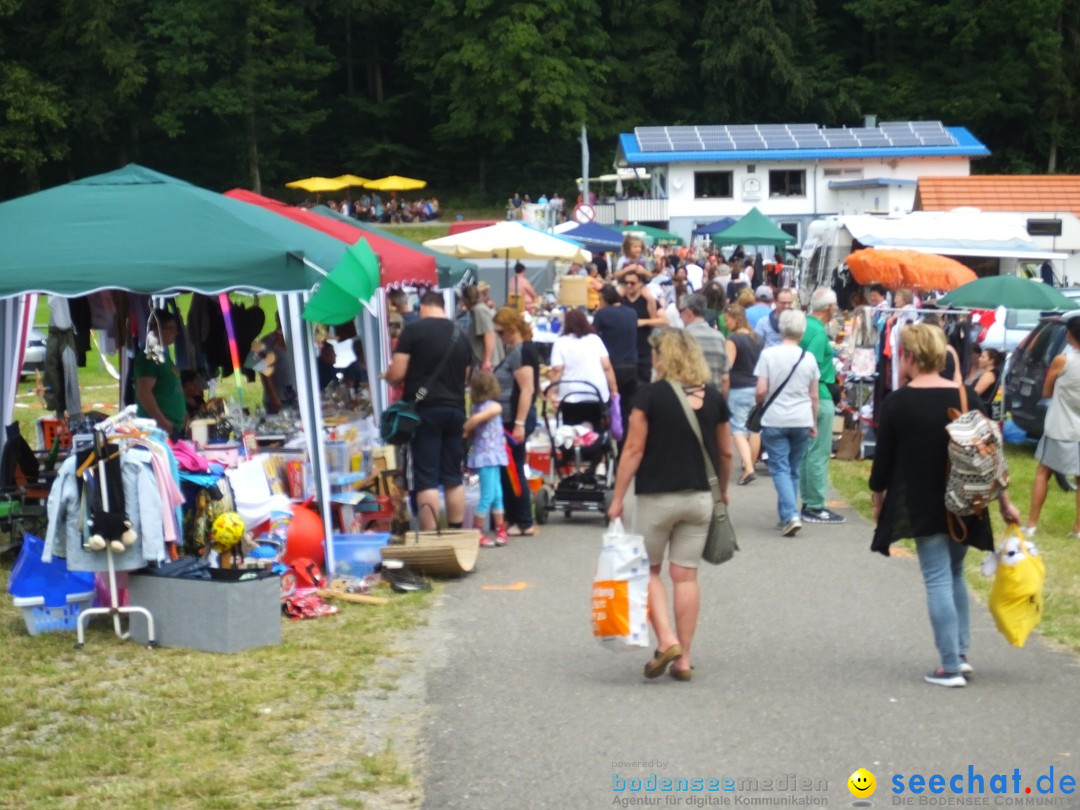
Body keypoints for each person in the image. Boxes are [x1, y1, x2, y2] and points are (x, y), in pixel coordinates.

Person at [871, 323, 1021, 687]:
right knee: (953, 573)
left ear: (907, 356)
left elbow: (883, 463)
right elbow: (989, 451)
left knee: (937, 577)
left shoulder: (897, 403)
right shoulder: (966, 395)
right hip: (967, 498)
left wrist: (879, 500)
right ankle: (961, 652)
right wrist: (1004, 501)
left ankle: (950, 665)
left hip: (923, 500)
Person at [607, 329, 733, 682]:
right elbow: (725, 452)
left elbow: (633, 450)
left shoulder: (649, 396)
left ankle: (666, 639)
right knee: (686, 576)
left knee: (649, 572)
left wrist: (618, 498)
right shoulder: (713, 399)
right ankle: (684, 659)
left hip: (657, 498)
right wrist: (723, 491)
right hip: (699, 500)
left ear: (664, 358)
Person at [384, 292, 473, 531]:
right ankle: (456, 533)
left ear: (422, 307)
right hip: (455, 410)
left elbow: (398, 373)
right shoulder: (461, 336)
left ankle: (430, 537)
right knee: (454, 477)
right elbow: (465, 377)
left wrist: (388, 376)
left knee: (427, 479)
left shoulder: (413, 331)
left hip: (425, 412)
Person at [754, 310, 820, 536]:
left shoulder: (768, 355)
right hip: (801, 418)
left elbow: (761, 390)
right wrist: (813, 420)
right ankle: (788, 515)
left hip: (774, 417)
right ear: (801, 332)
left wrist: (759, 403)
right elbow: (814, 395)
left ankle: (790, 514)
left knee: (779, 467)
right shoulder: (808, 358)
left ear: (781, 329)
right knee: (793, 468)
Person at [1024, 316, 1080, 538]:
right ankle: (1078, 528)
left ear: (1070, 334)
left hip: (1060, 425)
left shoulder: (1062, 360)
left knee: (1043, 471)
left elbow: (1046, 391)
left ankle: (1032, 524)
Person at [798, 288, 846, 525]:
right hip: (820, 395)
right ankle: (815, 505)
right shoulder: (818, 332)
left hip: (806, 395)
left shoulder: (805, 325)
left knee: (809, 451)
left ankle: (809, 501)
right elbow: (812, 367)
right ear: (830, 307)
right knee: (819, 451)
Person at [493, 307, 540, 537]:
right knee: (511, 467)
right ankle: (517, 518)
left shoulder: (521, 351)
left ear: (511, 329)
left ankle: (522, 520)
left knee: (512, 468)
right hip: (511, 418)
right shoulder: (518, 350)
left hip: (514, 419)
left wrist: (519, 423)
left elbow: (527, 389)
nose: (499, 337)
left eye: (501, 332)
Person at [548, 308, 617, 425]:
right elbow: (607, 367)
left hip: (570, 395)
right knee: (596, 428)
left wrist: (551, 392)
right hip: (596, 393)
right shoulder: (595, 340)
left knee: (571, 431)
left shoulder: (561, 342)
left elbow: (557, 370)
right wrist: (614, 390)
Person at [463, 371, 509, 548]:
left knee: (497, 494)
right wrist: (467, 427)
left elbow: (475, 422)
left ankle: (500, 529)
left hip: (492, 456)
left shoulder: (481, 408)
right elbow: (475, 421)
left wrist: (468, 428)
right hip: (487, 457)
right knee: (488, 496)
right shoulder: (492, 407)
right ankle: (477, 531)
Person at [592, 285, 639, 442]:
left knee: (607, 406)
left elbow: (593, 338)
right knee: (626, 409)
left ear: (605, 299)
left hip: (612, 367)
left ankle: (607, 442)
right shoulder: (632, 313)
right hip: (632, 366)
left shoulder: (602, 314)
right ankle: (624, 442)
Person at [724, 304, 763, 485]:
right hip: (756, 387)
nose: (725, 323)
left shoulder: (733, 339)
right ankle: (750, 464)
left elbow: (728, 366)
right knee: (753, 428)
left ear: (735, 319)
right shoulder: (757, 339)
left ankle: (748, 468)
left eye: (727, 320)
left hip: (738, 388)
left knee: (738, 429)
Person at [135, 309, 186, 439]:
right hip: (158, 429)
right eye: (171, 328)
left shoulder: (162, 354)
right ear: (156, 327)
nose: (175, 332)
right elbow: (143, 392)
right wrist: (161, 420)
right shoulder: (150, 356)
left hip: (170, 426)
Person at [621, 269, 666, 385]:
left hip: (643, 351)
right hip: (624, 353)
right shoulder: (621, 300)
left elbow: (664, 321)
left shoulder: (647, 300)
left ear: (640, 284)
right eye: (626, 283)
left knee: (644, 384)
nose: (628, 286)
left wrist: (643, 322)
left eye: (632, 283)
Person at [680, 293, 729, 396]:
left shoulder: (680, 338)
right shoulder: (719, 337)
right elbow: (725, 378)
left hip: (688, 399)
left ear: (688, 312)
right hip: (714, 400)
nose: (679, 316)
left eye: (680, 311)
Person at [259, 313, 298, 414]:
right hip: (277, 398)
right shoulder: (267, 342)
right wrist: (273, 396)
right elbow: (264, 372)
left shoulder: (297, 339)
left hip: (297, 396)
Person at [462, 284, 503, 373]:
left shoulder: (479, 310)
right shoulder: (481, 309)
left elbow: (489, 334)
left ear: (465, 299)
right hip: (487, 360)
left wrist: (486, 361)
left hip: (488, 363)